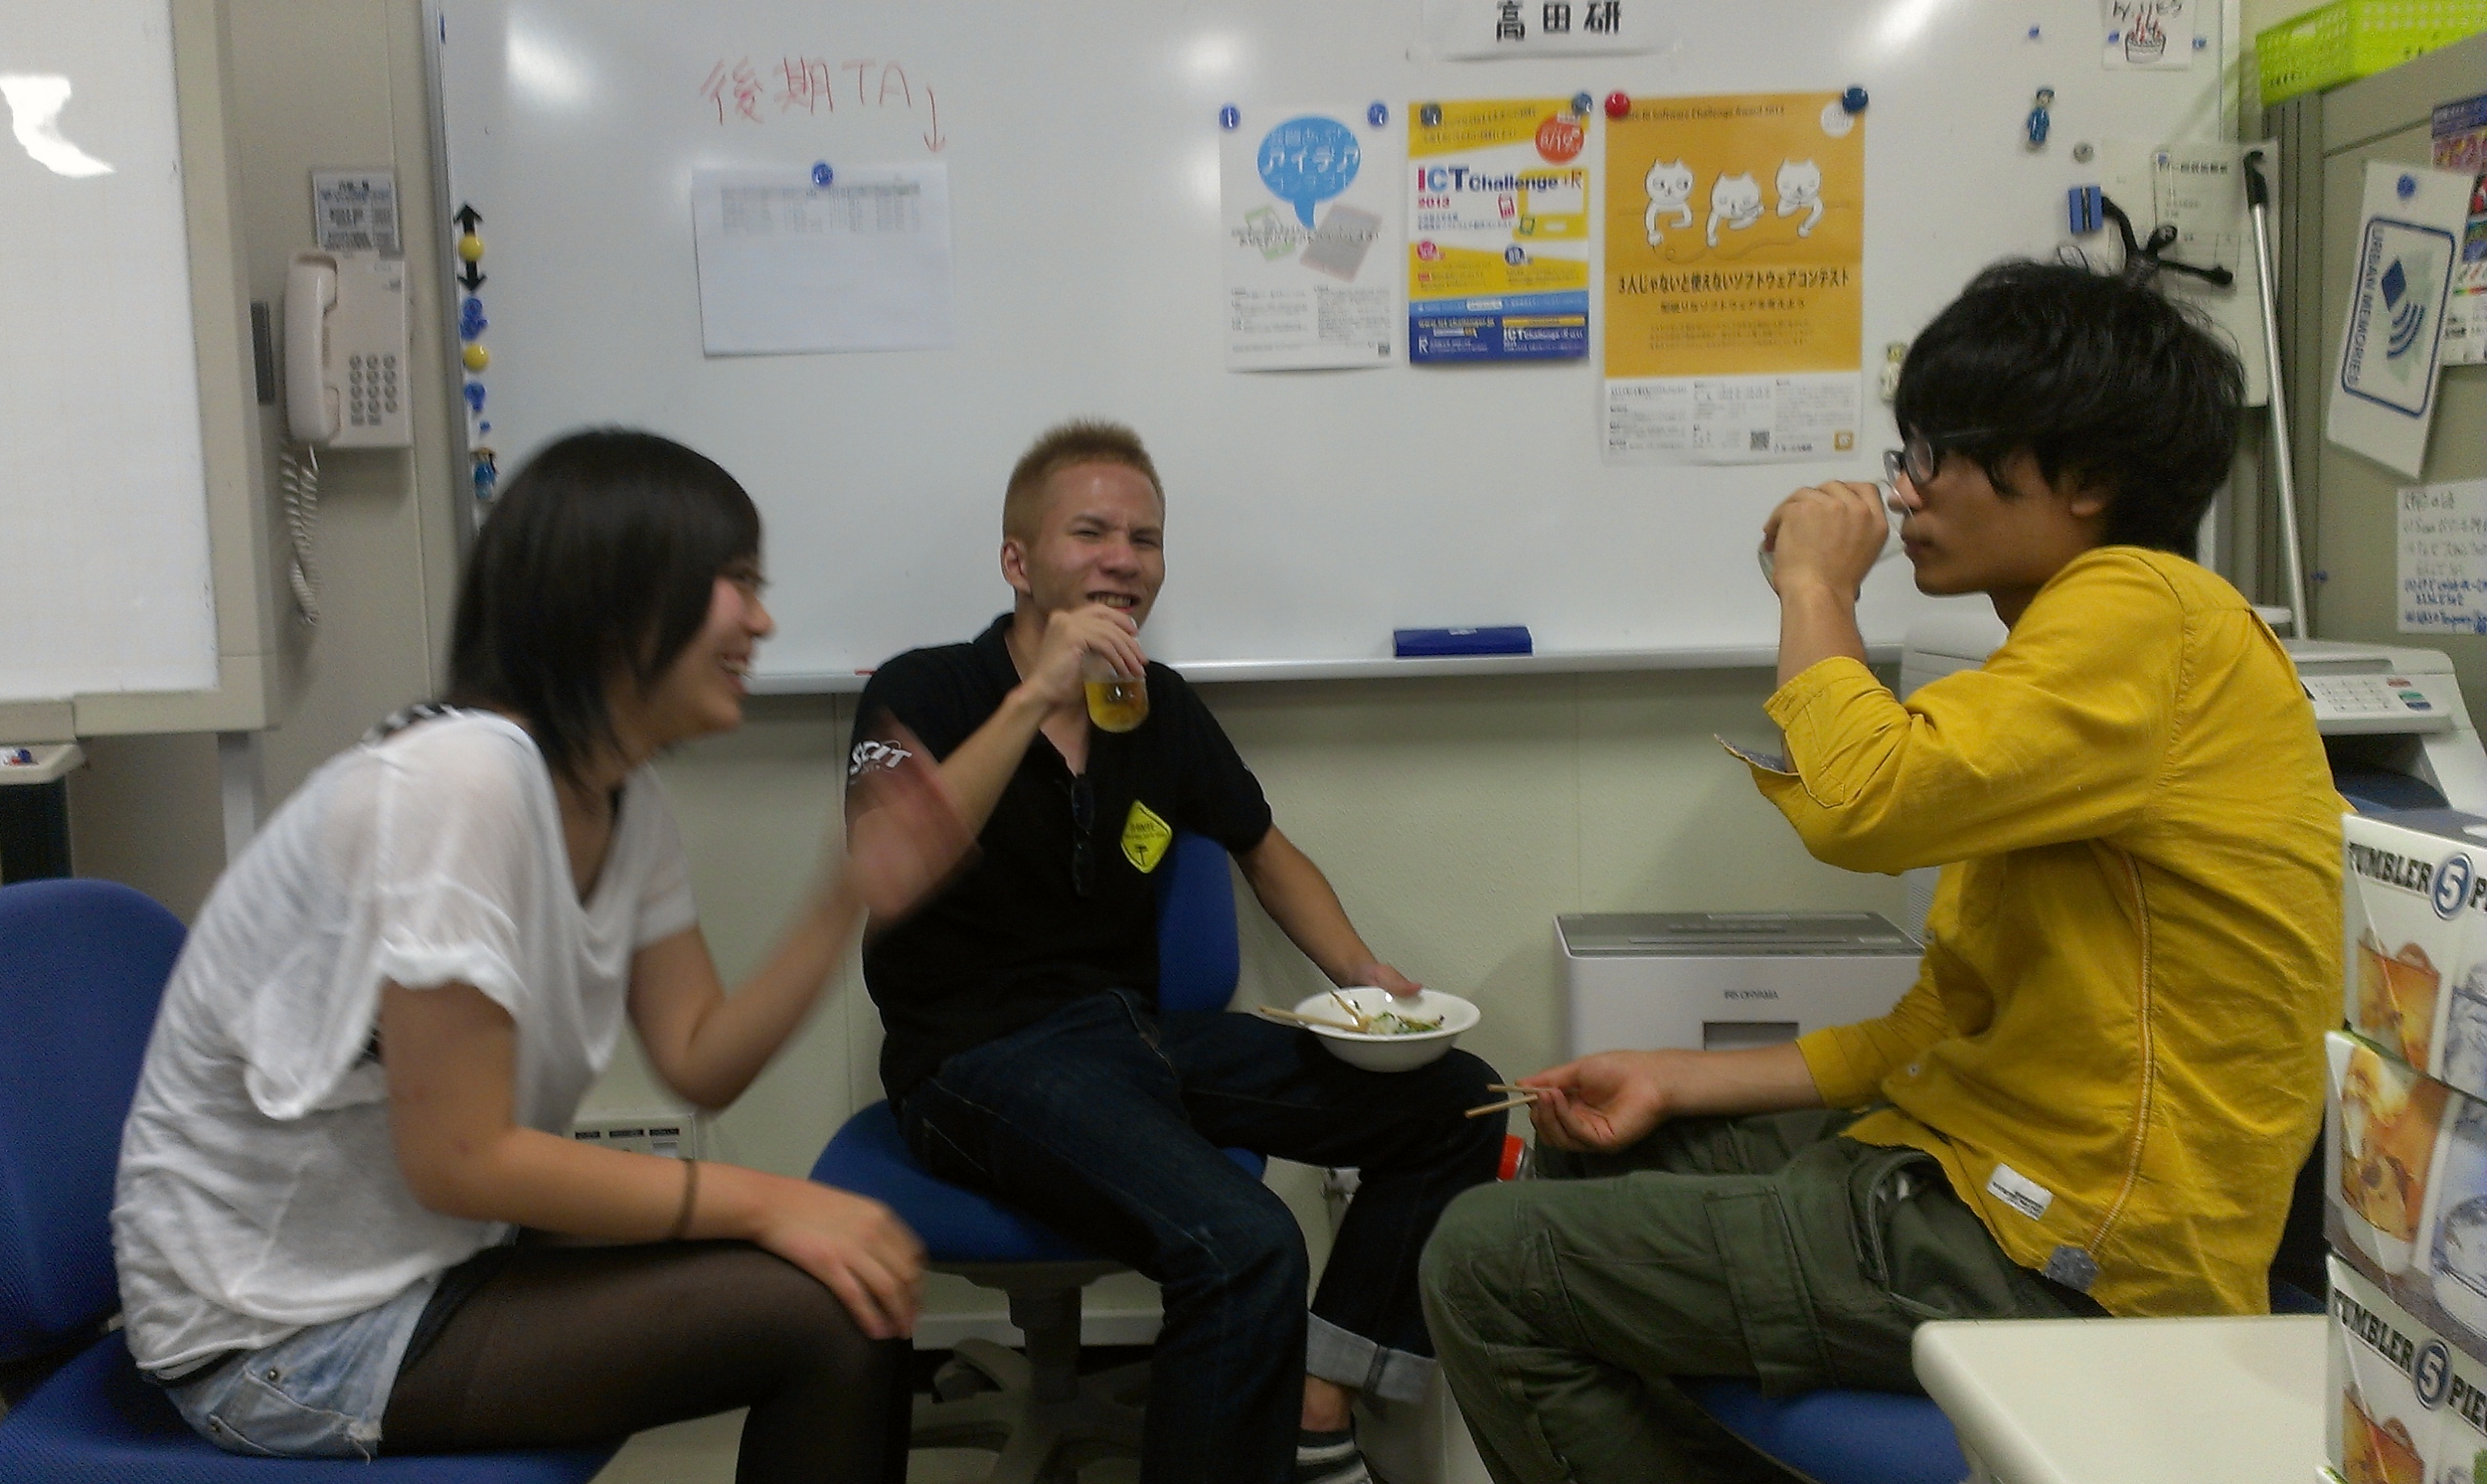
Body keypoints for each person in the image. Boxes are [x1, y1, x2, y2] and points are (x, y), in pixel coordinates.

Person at [1420, 261, 2343, 1484]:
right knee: (1592, 1150)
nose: (1905, 489)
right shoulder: (2063, 675)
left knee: (1484, 1262)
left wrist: (1815, 586)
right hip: (1968, 1161)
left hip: (2070, 1251)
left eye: (1942, 453)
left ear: (2085, 479)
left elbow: (1863, 798)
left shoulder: (2146, 610)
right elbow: (1936, 1022)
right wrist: (1673, 1075)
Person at [112, 430, 972, 1479]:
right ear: (616, 601)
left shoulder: (621, 801)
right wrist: (772, 1199)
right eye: (737, 584)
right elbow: (462, 1160)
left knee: (842, 1278)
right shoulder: (460, 785)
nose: (763, 621)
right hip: (278, 1335)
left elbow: (701, 1057)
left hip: (433, 1262)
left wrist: (847, 896)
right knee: (829, 1316)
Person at [848, 420, 1504, 1484]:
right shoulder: (923, 690)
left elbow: (1262, 848)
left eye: (1145, 540)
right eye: (1091, 533)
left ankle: (1318, 1402)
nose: (1124, 560)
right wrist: (1037, 694)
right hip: (974, 1060)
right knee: (1245, 1245)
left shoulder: (1158, 705)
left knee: (1459, 1102)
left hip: (1136, 1038)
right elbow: (892, 860)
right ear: (1018, 560)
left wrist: (1368, 983)